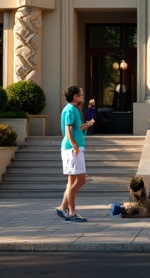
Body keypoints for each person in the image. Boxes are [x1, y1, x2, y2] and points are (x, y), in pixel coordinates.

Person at [57, 84, 94, 222]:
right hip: (72, 149)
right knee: (81, 179)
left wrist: (87, 125)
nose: (82, 97)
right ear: (75, 96)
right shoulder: (71, 109)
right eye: (81, 94)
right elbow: (68, 129)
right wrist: (74, 145)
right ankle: (72, 213)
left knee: (71, 181)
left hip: (73, 147)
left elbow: (77, 128)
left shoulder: (73, 109)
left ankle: (63, 207)